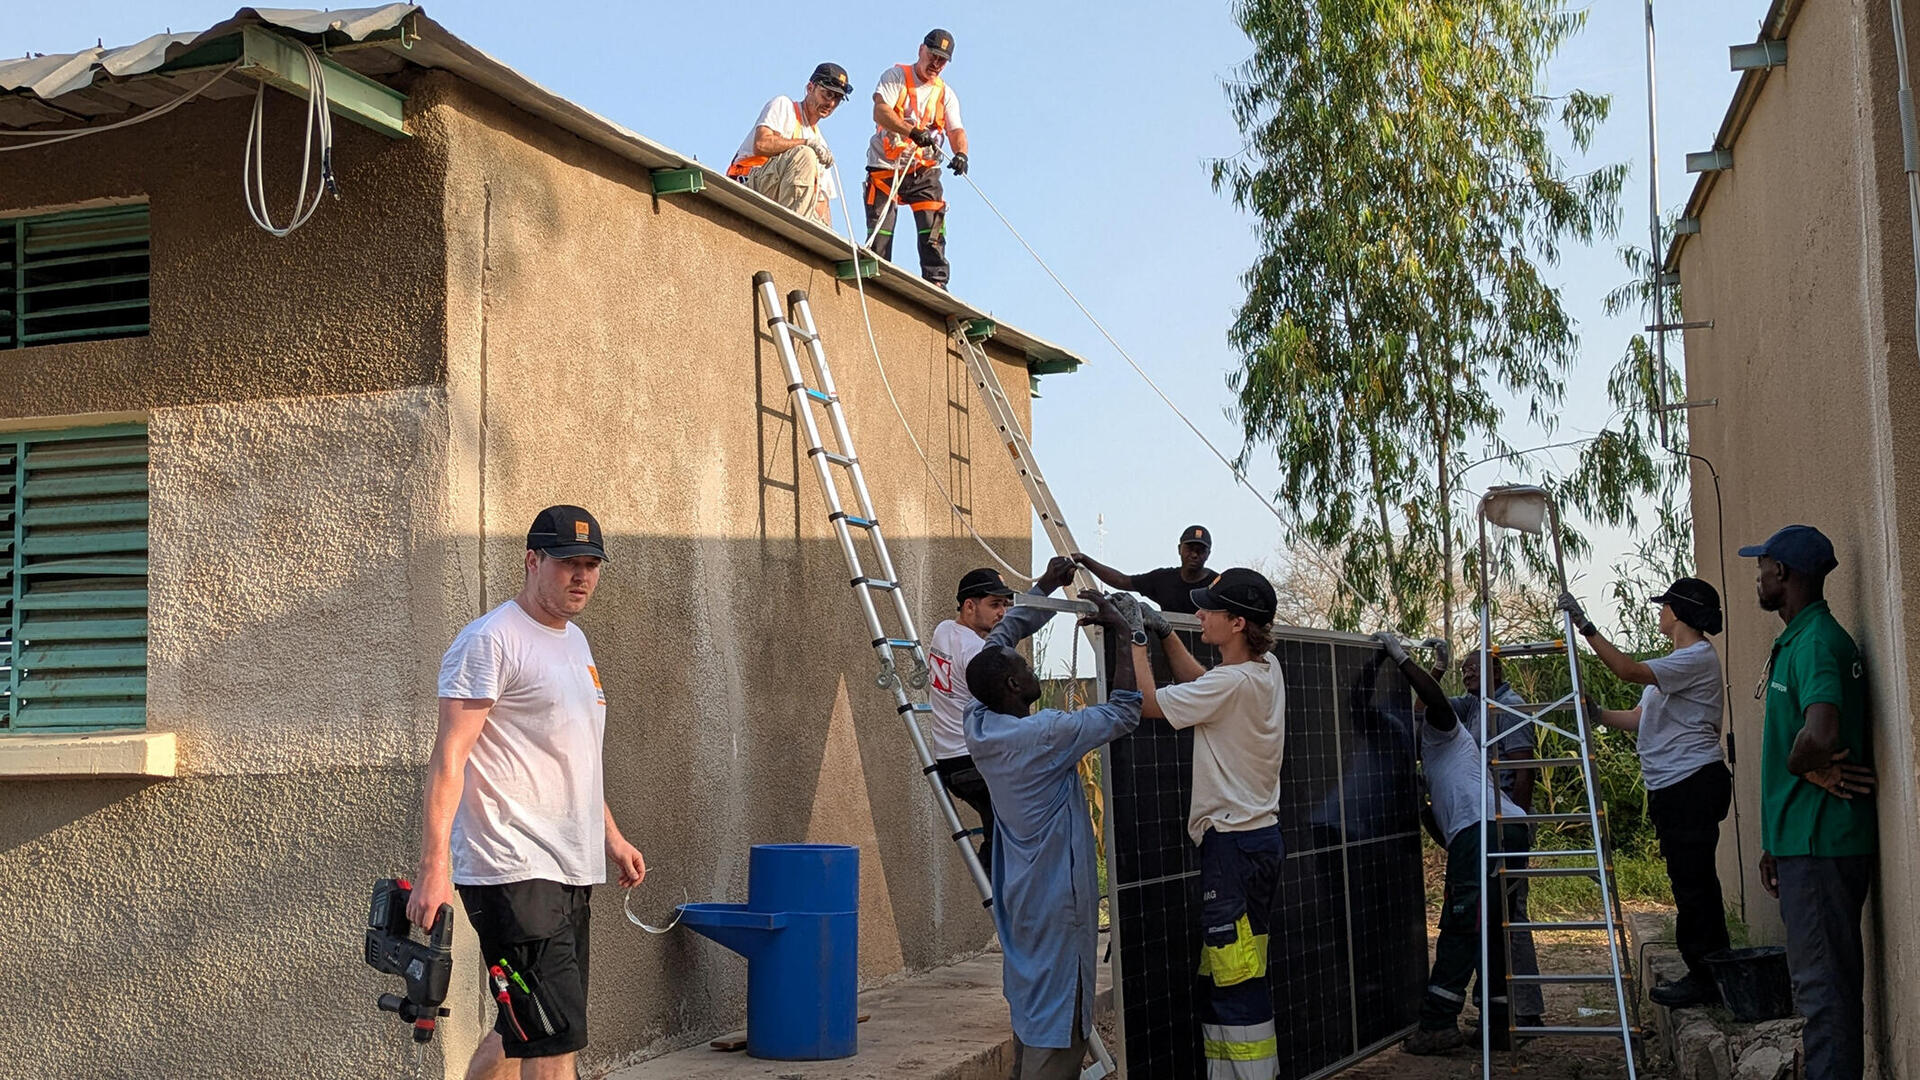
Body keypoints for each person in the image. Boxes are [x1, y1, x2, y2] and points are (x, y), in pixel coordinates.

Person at [408, 506, 647, 1079]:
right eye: (568, 563)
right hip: (511, 865)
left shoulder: (575, 642)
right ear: (532, 561)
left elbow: (571, 757)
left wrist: (611, 836)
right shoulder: (490, 641)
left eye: (591, 564)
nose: (581, 576)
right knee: (552, 1039)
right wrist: (434, 867)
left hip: (569, 864)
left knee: (525, 1027)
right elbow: (449, 758)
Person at [967, 587, 1146, 1080]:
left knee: (1033, 1003)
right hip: (1057, 904)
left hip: (1022, 895)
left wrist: (1044, 588)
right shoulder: (1043, 735)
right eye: (1024, 667)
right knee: (1061, 1015)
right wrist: (1126, 633)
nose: (1031, 669)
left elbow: (998, 641)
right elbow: (1126, 711)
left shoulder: (979, 724)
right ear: (1012, 684)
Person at [1130, 568, 1287, 1080]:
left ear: (1237, 622)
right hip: (1256, 841)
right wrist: (1166, 634)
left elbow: (1149, 703)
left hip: (1233, 849)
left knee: (1235, 974)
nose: (1198, 613)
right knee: (1231, 967)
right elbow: (1204, 685)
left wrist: (1135, 638)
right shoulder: (1265, 670)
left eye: (1209, 609)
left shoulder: (1232, 683)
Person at [1740, 525, 1878, 1080]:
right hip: (1802, 841)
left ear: (1783, 572)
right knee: (1822, 984)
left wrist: (1803, 764)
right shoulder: (1799, 638)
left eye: (1763, 565)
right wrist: (1775, 841)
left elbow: (1819, 732)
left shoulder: (1817, 641)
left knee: (1824, 992)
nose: (1758, 575)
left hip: (1821, 845)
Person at [1558, 577, 1735, 1008]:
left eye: (1665, 606)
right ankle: (1710, 971)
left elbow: (1627, 670)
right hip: (1676, 785)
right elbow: (1641, 718)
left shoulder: (1695, 657)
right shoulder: (1677, 664)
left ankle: (1706, 976)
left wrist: (1585, 627)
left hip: (1691, 782)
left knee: (1694, 884)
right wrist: (1598, 714)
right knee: (1689, 879)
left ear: (1679, 612)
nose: (1660, 612)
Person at [1377, 632, 1527, 1055]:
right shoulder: (1433, 766)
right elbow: (1444, 831)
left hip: (1485, 829)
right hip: (1502, 829)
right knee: (1491, 928)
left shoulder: (1442, 733)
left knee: (1462, 924)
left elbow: (1432, 701)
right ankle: (1498, 1025)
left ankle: (1439, 1023)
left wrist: (1405, 661)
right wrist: (1423, 810)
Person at [927, 561, 1080, 868]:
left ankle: (996, 871)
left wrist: (1045, 587)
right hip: (974, 763)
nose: (1002, 612)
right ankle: (1001, 876)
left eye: (1006, 605)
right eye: (995, 604)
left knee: (999, 825)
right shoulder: (977, 653)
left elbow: (1009, 628)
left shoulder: (944, 630)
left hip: (949, 758)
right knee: (1022, 826)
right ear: (969, 606)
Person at [1445, 649, 1544, 1029]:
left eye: (1474, 668)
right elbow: (1424, 709)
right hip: (1484, 819)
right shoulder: (1472, 705)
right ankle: (1501, 1008)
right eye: (1463, 669)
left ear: (1496, 670)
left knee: (1510, 912)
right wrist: (1436, 667)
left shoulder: (1509, 707)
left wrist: (1513, 824)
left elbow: (1523, 770)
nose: (1467, 674)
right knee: (1490, 914)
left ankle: (1526, 1011)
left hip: (1504, 820)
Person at [864, 29, 969, 287]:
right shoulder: (895, 77)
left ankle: (937, 284)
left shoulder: (945, 94)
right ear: (921, 50)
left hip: (923, 171)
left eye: (942, 60)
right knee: (881, 233)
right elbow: (880, 111)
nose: (936, 64)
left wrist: (961, 154)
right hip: (886, 167)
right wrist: (911, 131)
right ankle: (877, 281)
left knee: (932, 230)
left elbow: (956, 130)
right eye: (933, 56)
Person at [727, 63, 853, 225]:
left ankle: (799, 233)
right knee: (805, 154)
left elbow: (822, 201)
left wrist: (826, 232)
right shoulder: (784, 107)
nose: (831, 103)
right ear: (810, 88)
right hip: (749, 184)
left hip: (782, 198)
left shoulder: (820, 142)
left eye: (837, 98)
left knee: (819, 208)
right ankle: (794, 228)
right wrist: (806, 143)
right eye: (828, 94)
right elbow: (761, 144)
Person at [1072, 524, 1217, 615]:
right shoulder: (1163, 579)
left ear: (1208, 554)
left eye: (1200, 550)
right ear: (1179, 549)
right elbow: (1121, 580)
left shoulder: (1217, 585)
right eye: (1190, 548)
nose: (1194, 555)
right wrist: (1084, 560)